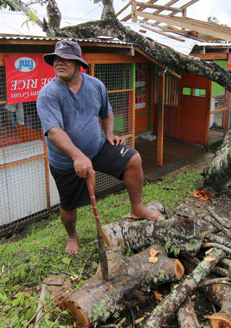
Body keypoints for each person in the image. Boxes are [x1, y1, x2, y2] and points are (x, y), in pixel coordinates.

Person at [36, 39, 163, 254]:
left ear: (78, 63)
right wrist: (77, 156)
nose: (59, 63)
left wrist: (110, 134)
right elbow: (54, 131)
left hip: (97, 149)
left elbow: (107, 112)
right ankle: (72, 236)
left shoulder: (96, 85)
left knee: (133, 158)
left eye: (65, 59)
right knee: (68, 206)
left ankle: (137, 208)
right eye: (56, 59)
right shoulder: (48, 94)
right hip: (67, 161)